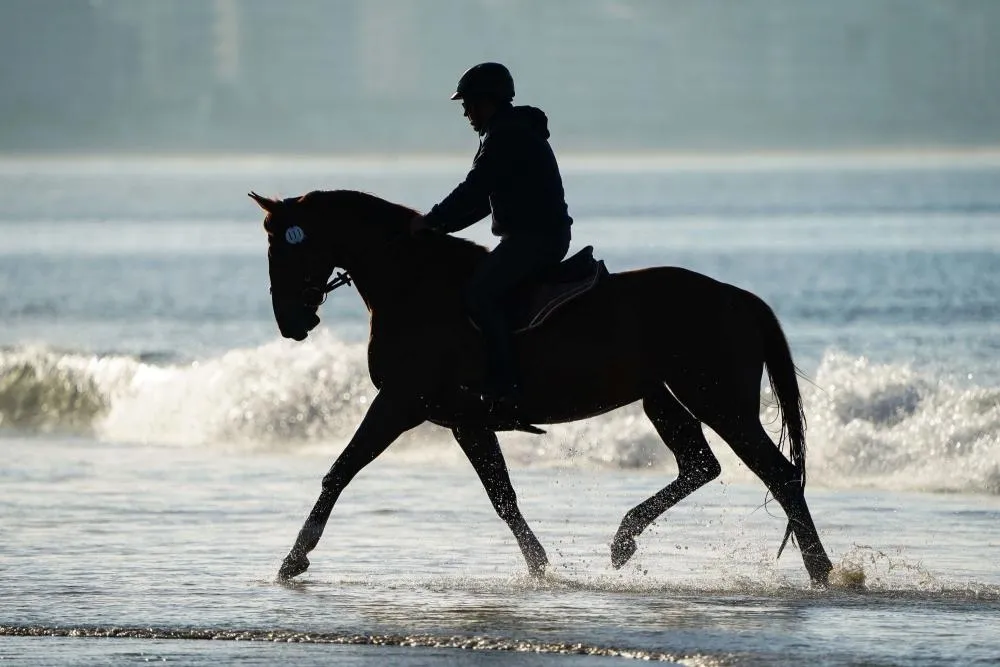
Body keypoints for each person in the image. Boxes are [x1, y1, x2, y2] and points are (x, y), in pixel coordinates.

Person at [410, 62, 573, 412]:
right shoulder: (505, 131)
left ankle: (505, 382)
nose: (466, 112)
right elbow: (483, 202)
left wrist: (433, 220)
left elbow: (474, 190)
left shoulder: (506, 135)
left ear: (488, 101)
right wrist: (439, 229)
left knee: (479, 294)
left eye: (469, 103)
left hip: (536, 239)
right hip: (533, 237)